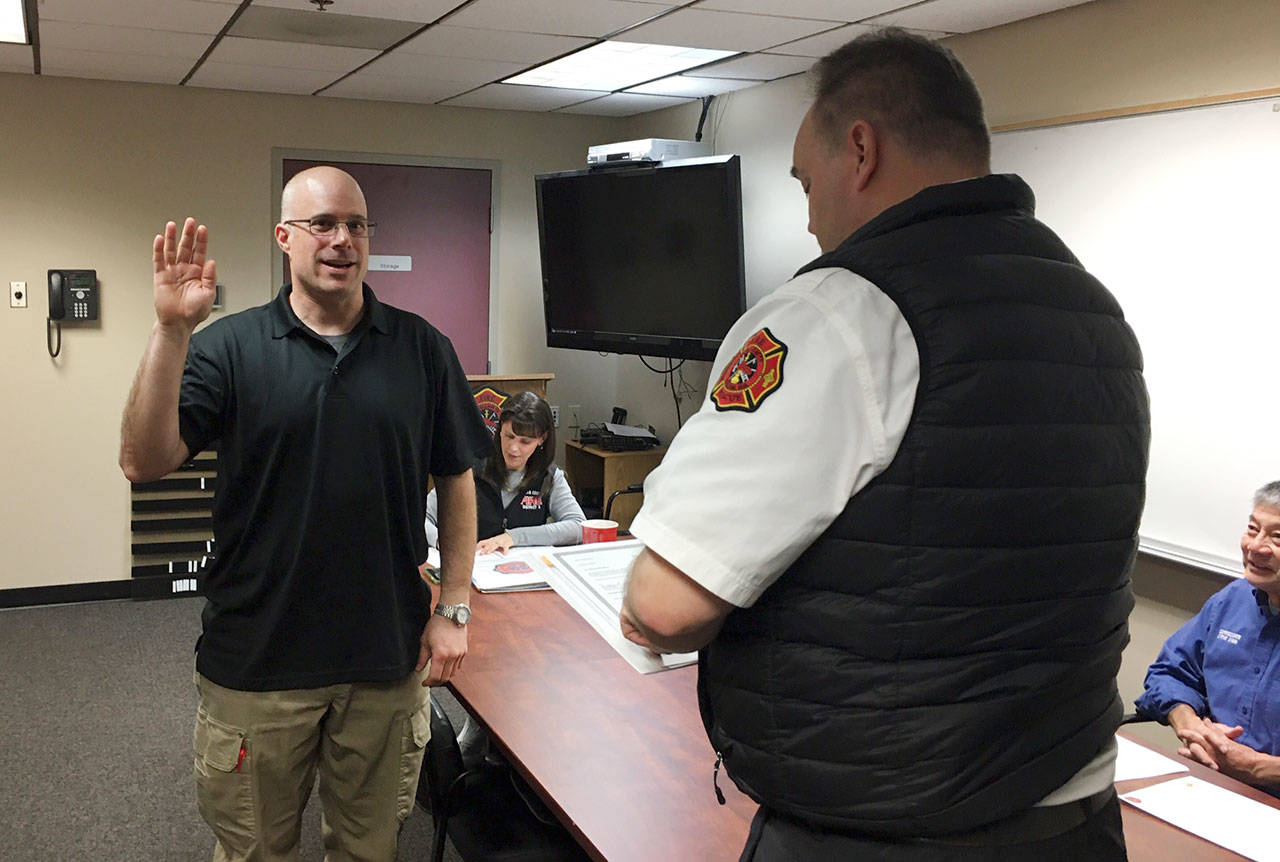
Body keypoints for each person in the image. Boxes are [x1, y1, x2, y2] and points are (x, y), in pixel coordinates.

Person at [619, 29, 1149, 860]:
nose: (808, 213)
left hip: (888, 832)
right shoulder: (1092, 312)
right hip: (1074, 818)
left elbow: (665, 607)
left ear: (859, 149)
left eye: (804, 180)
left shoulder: (838, 311)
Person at [118, 165, 492, 861]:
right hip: (258, 659)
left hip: (383, 657)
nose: (342, 239)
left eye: (356, 224)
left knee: (370, 850)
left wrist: (456, 604)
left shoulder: (422, 349)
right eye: (322, 224)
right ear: (284, 239)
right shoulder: (228, 349)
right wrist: (170, 332)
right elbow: (145, 459)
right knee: (256, 850)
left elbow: (457, 478)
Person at [1134, 481, 1280, 792]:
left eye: (1277, 537)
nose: (1256, 547)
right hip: (1209, 785)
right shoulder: (1232, 601)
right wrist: (1192, 727)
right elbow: (1169, 673)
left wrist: (1256, 767)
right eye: (1253, 530)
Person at [424, 391, 585, 556]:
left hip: (526, 570)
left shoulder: (549, 476)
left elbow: (579, 526)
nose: (513, 448)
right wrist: (444, 542)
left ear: (541, 439)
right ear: (499, 430)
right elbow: (421, 516)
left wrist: (515, 537)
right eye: (509, 436)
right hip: (473, 565)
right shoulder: (470, 467)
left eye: (525, 441)